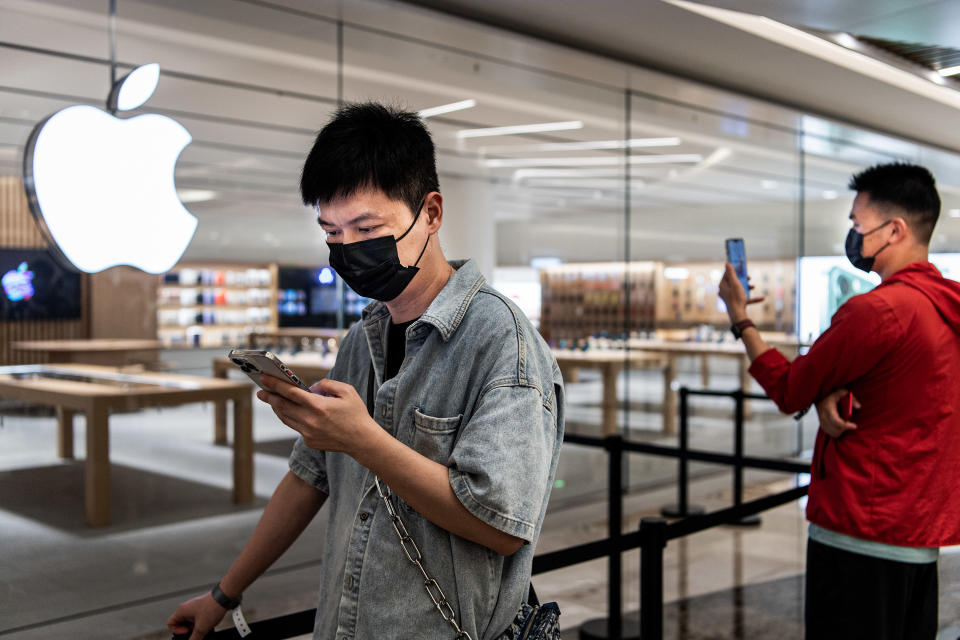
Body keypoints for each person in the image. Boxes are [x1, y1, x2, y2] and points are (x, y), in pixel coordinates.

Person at [167, 103, 565, 640]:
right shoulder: (362, 341)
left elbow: (501, 527)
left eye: (367, 227)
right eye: (331, 231)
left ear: (430, 213)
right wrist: (225, 593)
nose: (349, 249)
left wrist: (361, 439)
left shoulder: (502, 344)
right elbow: (309, 477)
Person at [718, 162, 960, 640]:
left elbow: (789, 390)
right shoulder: (946, 307)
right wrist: (838, 387)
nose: (853, 234)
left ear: (895, 230)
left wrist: (741, 318)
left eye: (856, 223)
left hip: (860, 532)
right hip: (918, 533)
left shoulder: (877, 311)